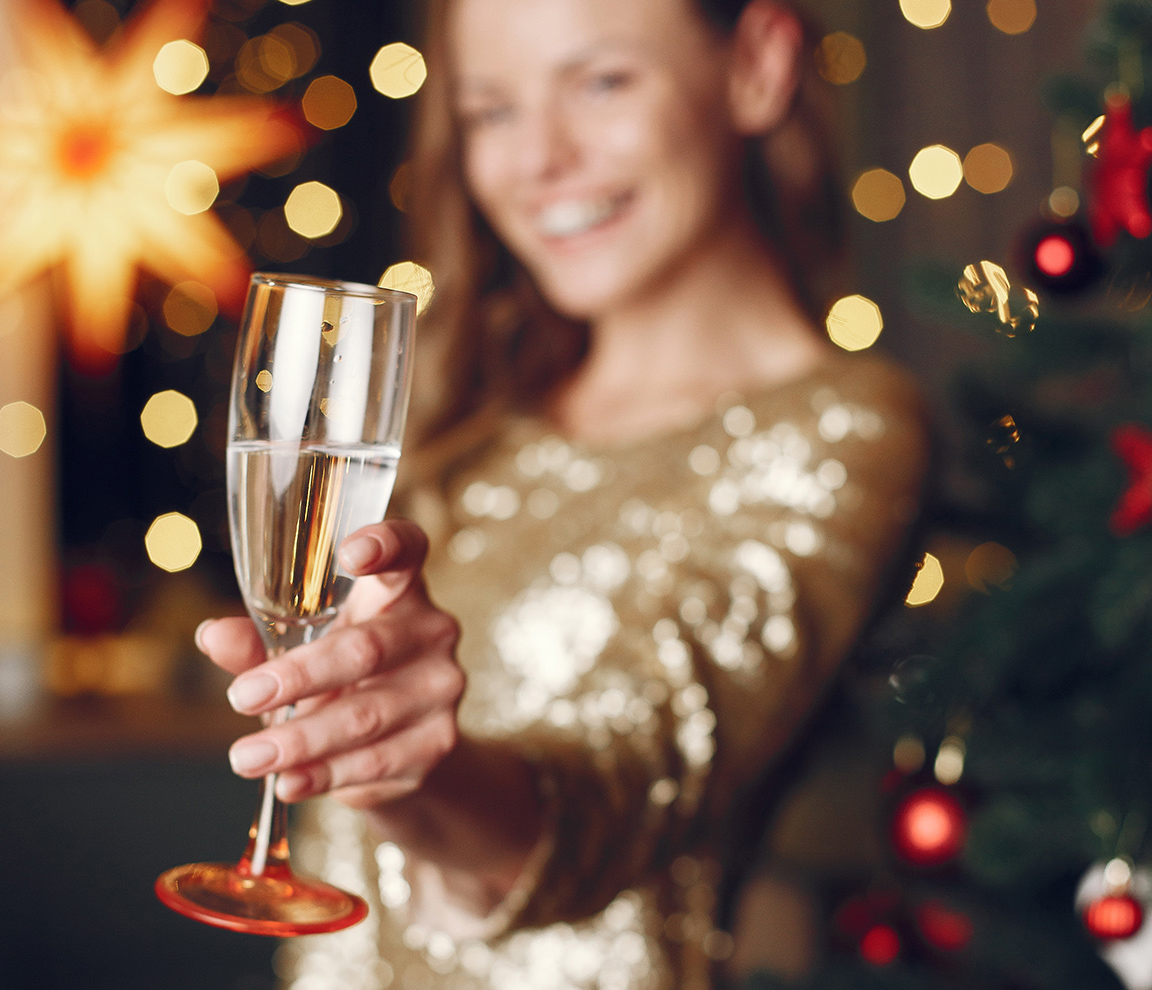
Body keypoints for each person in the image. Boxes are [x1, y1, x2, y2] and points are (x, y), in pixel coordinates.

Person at [196, 0, 930, 986]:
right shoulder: (463, 419)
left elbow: (623, 783)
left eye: (601, 82)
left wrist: (418, 775)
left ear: (757, 63)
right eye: (491, 109)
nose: (538, 158)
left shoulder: (844, 428)